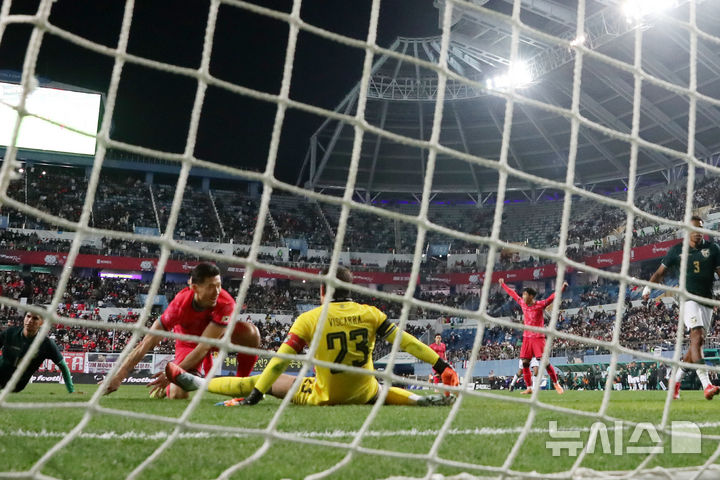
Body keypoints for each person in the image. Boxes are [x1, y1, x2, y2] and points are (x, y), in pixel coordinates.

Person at [167, 266, 459, 406]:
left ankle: (200, 384)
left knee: (264, 380)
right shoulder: (372, 313)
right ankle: (418, 399)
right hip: (364, 392)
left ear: (322, 290)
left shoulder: (309, 318)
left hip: (325, 395)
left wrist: (256, 396)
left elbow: (280, 362)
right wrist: (440, 365)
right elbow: (406, 342)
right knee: (378, 387)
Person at [104, 262, 260, 398]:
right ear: (195, 288)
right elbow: (148, 341)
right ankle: (167, 389)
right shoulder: (179, 306)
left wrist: (170, 374)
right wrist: (119, 376)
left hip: (216, 339)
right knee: (178, 394)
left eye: (219, 285)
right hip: (189, 345)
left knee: (251, 334)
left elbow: (204, 346)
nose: (217, 291)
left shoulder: (226, 303)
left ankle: (240, 387)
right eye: (211, 287)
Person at [642, 215, 720, 400]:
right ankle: (707, 384)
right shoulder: (677, 250)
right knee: (697, 336)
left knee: (696, 344)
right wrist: (648, 288)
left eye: (700, 229)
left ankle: (674, 381)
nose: (697, 232)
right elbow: (660, 273)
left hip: (707, 300)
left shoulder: (713, 249)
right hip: (687, 299)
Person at [498, 278, 566, 395]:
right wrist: (503, 284)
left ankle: (556, 384)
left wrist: (562, 288)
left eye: (525, 294)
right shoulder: (522, 303)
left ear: (531, 296)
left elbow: (552, 298)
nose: (523, 296)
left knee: (545, 362)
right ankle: (529, 387)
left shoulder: (540, 305)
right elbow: (512, 293)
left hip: (538, 337)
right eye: (523, 294)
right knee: (525, 363)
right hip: (527, 338)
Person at [0, 310, 75, 393]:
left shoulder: (47, 344)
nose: (30, 320)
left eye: (35, 318)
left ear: (42, 323)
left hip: (18, 383)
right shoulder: (10, 332)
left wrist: (71, 390)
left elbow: (63, 366)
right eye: (28, 316)